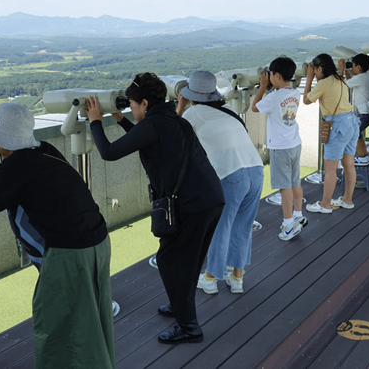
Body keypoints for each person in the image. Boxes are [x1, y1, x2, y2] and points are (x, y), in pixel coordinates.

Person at [0, 102, 115, 369]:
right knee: (92, 321)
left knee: (60, 328)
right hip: (96, 241)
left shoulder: (16, 166)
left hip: (69, 254)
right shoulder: (45, 150)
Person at [84, 72, 224, 345]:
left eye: (133, 105)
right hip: (211, 197)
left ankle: (189, 327)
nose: (132, 108)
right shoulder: (170, 119)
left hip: (192, 204)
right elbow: (147, 139)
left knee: (171, 260)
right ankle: (180, 306)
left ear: (145, 104)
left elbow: (109, 152)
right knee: (188, 260)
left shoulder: (153, 124)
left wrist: (95, 123)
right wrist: (123, 119)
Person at [176, 71, 264, 295]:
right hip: (256, 168)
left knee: (220, 227)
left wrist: (181, 104)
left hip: (231, 173)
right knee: (243, 226)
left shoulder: (192, 113)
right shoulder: (229, 110)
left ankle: (210, 278)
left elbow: (175, 133)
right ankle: (236, 278)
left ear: (191, 95)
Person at [251, 56, 306, 238]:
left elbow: (254, 108)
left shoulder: (274, 97)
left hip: (280, 147)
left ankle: (288, 225)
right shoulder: (295, 93)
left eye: (270, 75)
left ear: (276, 75)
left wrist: (262, 86)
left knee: (284, 188)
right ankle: (298, 215)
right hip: (294, 143)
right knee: (295, 181)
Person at [303, 53, 360, 213]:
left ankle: (325, 204)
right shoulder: (338, 79)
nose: (313, 73)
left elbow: (307, 100)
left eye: (314, 70)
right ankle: (347, 200)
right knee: (348, 164)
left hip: (338, 126)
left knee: (330, 167)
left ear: (320, 68)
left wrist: (309, 78)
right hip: (352, 122)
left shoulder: (324, 83)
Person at [339, 54, 369, 166]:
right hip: (368, 112)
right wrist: (346, 70)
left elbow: (341, 85)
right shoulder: (364, 76)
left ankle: (362, 158)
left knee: (352, 132)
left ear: (358, 67)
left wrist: (341, 69)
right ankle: (363, 156)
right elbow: (350, 82)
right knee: (356, 132)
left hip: (366, 113)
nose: (352, 68)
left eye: (353, 66)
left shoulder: (359, 78)